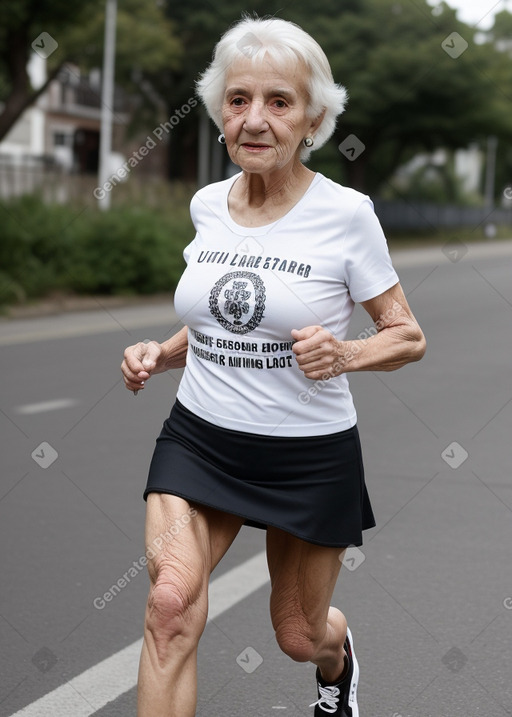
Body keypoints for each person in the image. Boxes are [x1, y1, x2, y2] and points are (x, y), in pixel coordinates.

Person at [121, 15, 426, 717]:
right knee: (170, 602)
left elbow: (406, 335)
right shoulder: (207, 206)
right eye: (238, 99)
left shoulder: (347, 215)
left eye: (278, 102)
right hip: (201, 439)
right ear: (220, 109)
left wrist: (347, 351)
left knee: (297, 633)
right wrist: (159, 352)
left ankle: (338, 662)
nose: (253, 119)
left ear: (313, 117)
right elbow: (220, 318)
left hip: (306, 455)